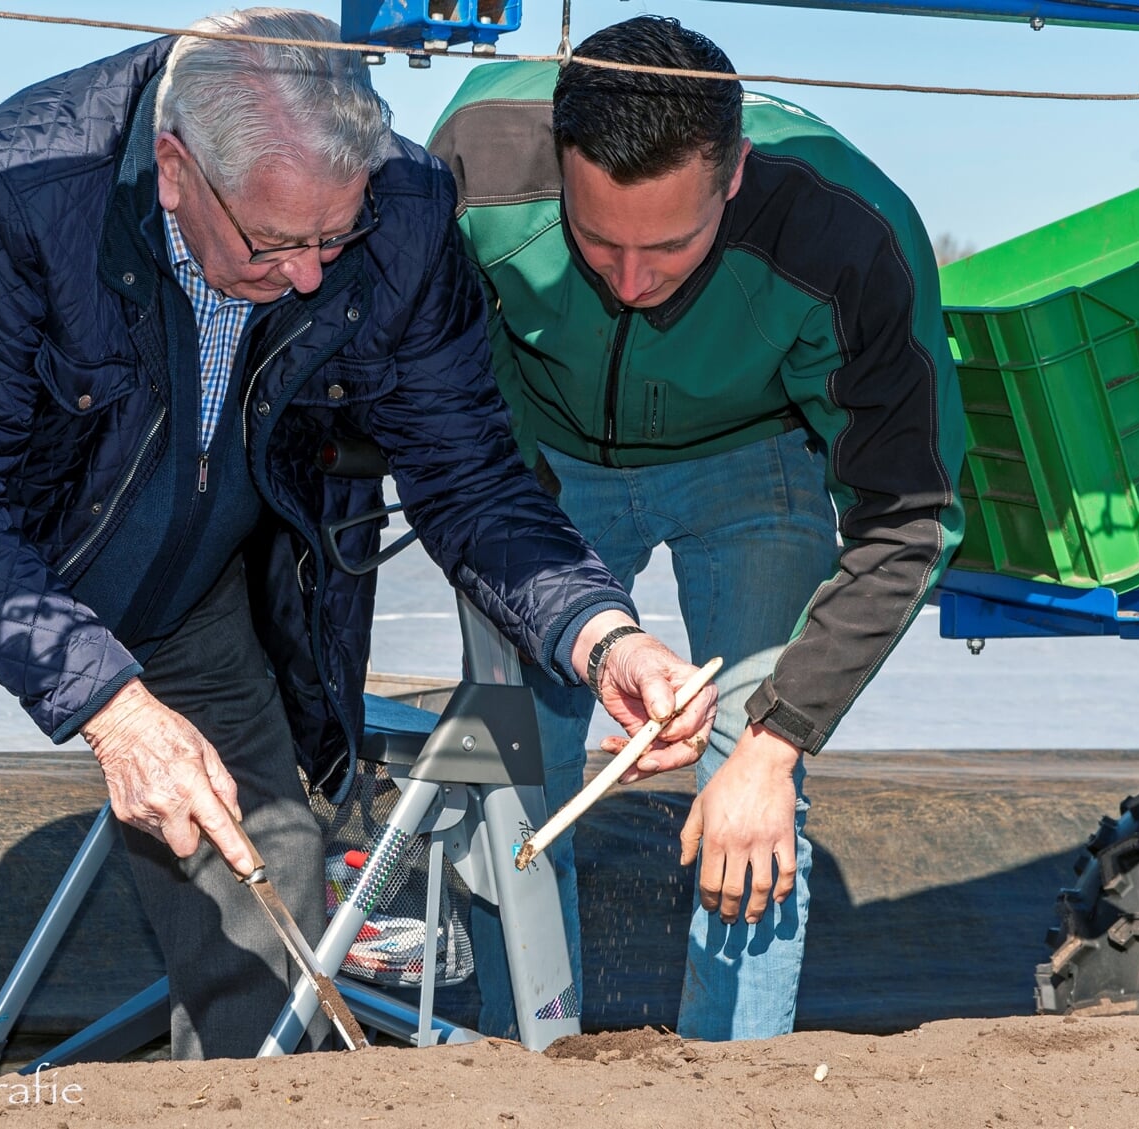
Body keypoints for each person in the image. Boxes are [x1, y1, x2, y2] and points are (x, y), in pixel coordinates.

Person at [0, 8, 717, 1081]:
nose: (310, 275)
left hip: (182, 562)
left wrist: (604, 636)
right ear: (176, 170)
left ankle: (250, 1093)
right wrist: (114, 711)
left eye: (331, 240)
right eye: (276, 243)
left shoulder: (397, 215)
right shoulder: (24, 188)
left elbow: (471, 476)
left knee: (266, 856)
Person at [429, 15, 965, 1041]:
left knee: (751, 783)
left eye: (669, 246)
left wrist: (776, 740)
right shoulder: (472, 160)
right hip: (544, 464)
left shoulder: (848, 230)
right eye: (597, 241)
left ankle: (738, 1077)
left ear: (734, 179)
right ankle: (521, 1055)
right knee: (510, 774)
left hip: (755, 460)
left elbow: (912, 512)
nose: (630, 282)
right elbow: (435, 384)